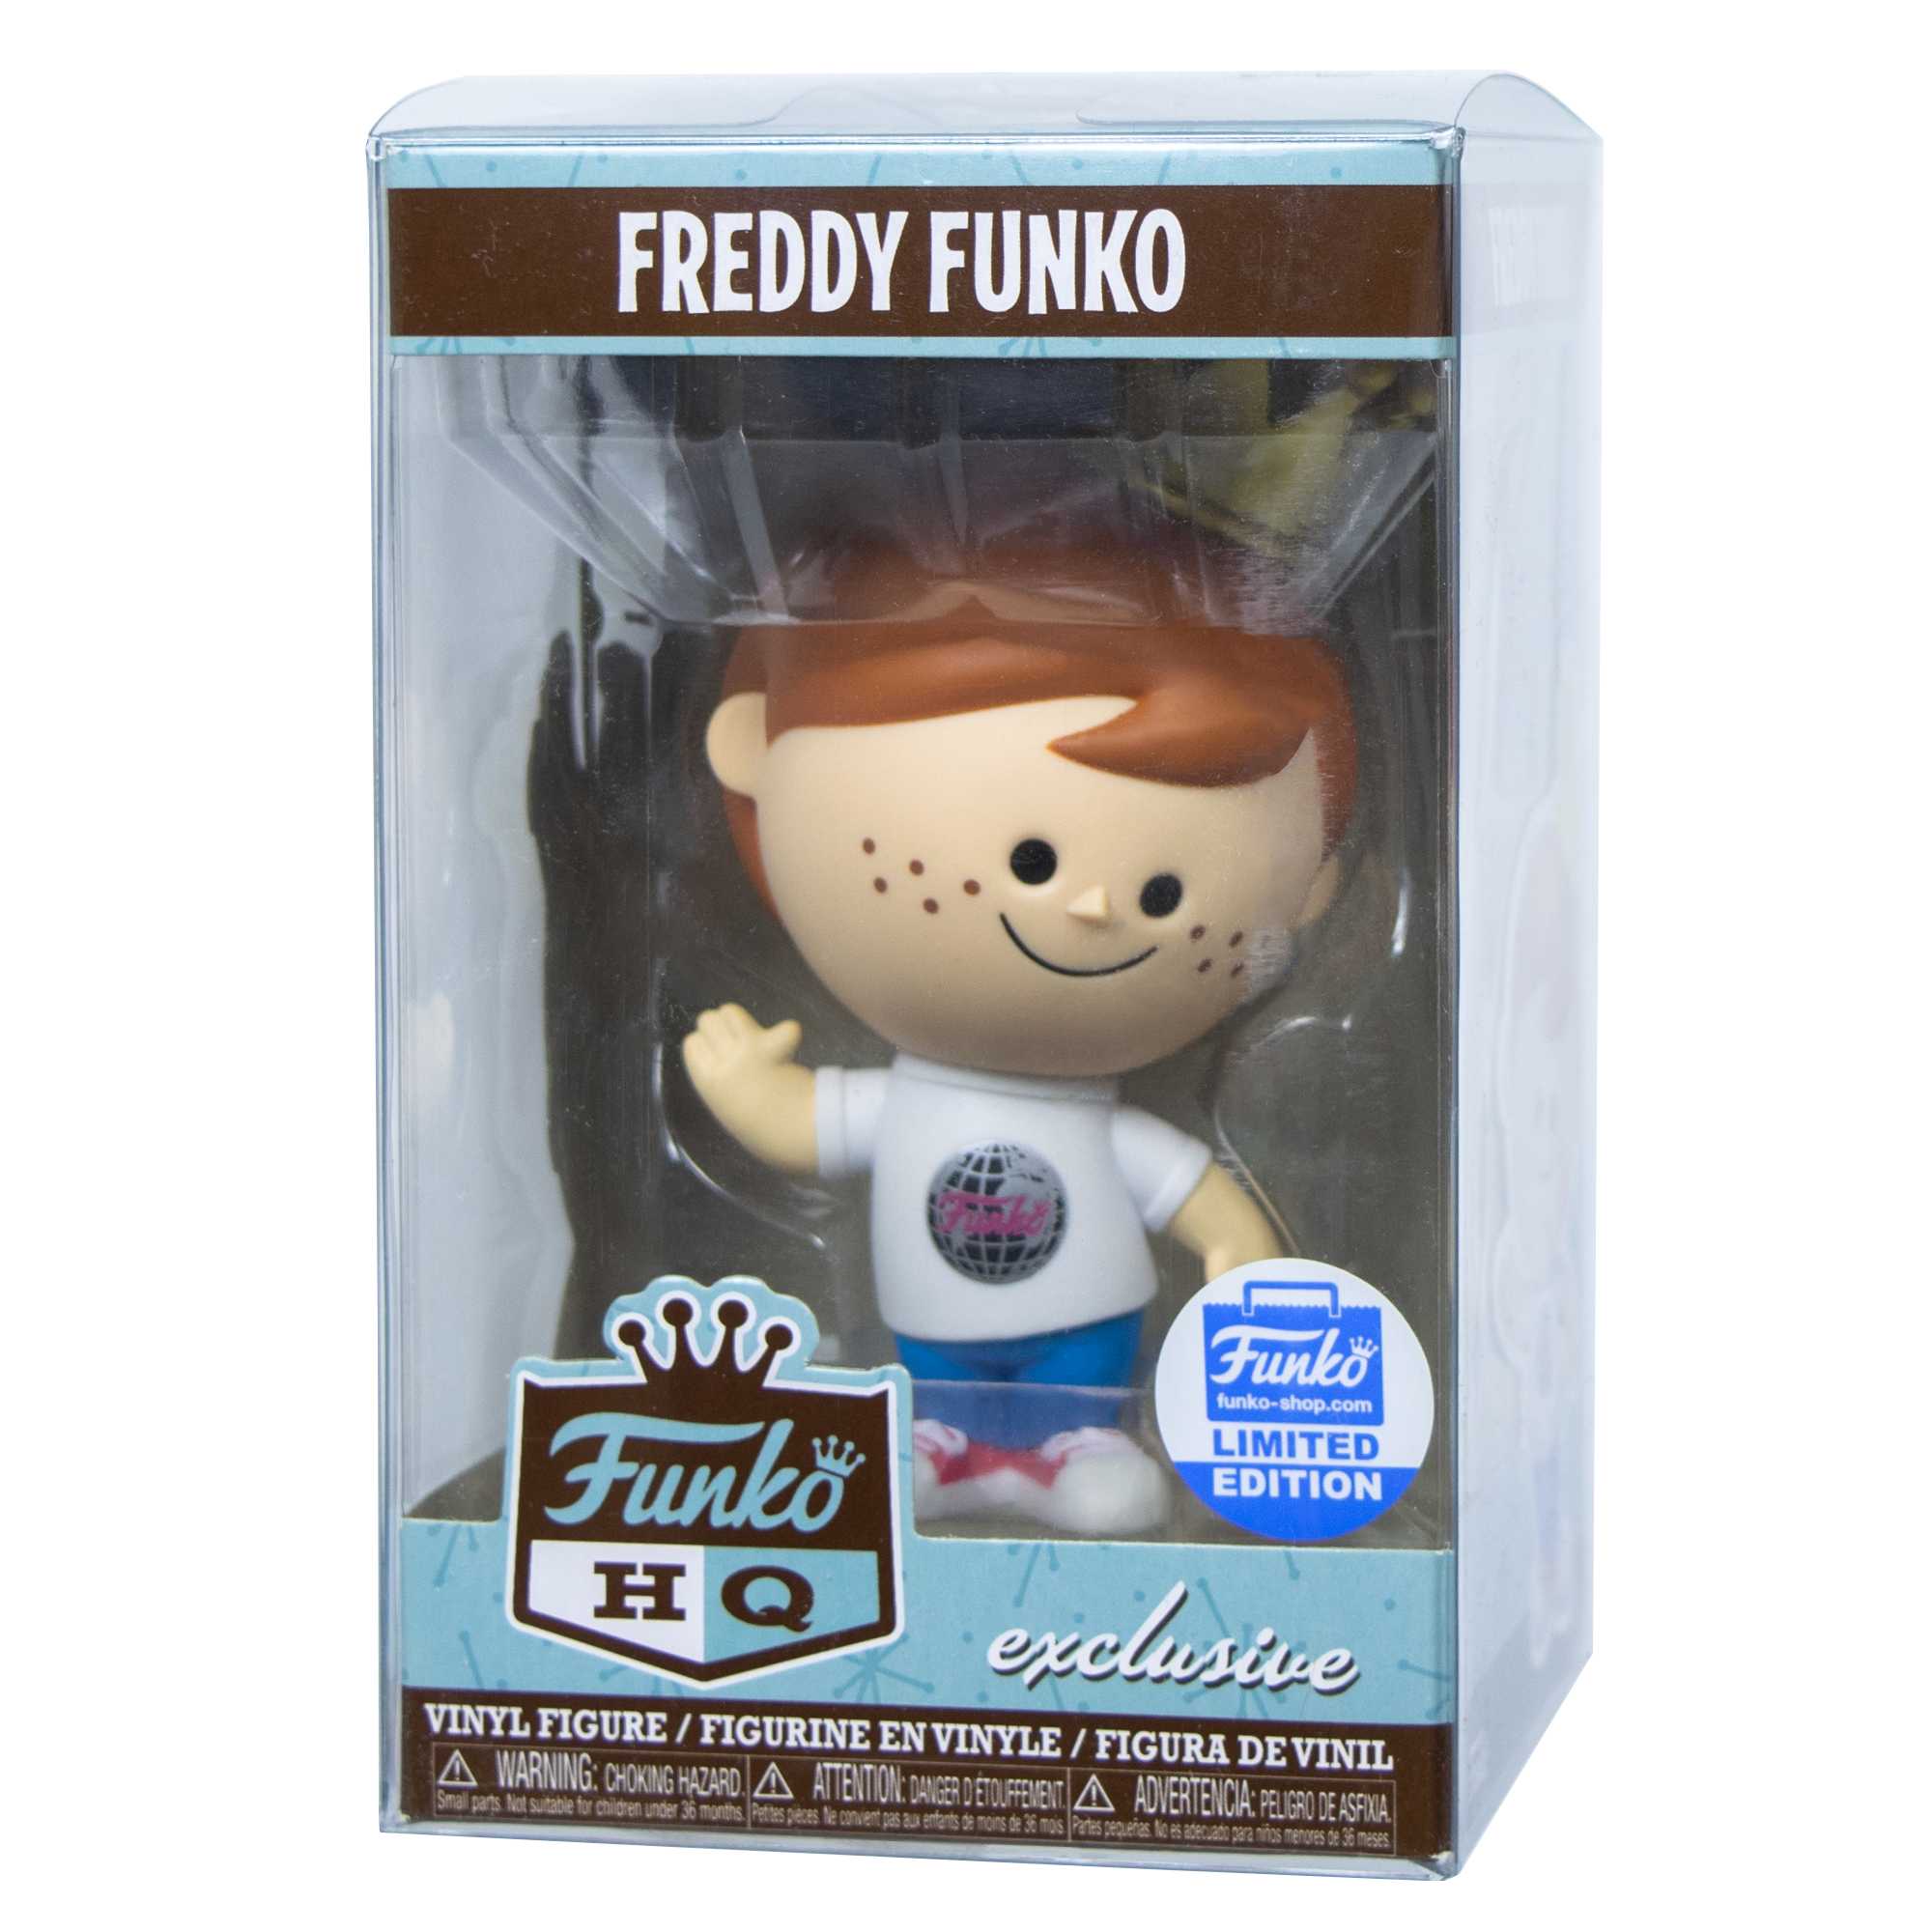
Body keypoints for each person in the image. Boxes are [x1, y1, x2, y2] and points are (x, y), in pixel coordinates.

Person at [682, 555, 1356, 1533]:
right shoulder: (903, 1100)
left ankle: (1072, 1440)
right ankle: (943, 1439)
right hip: (930, 1333)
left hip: (1086, 1337)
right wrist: (747, 1089)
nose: (1092, 906)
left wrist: (1241, 1252)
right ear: (754, 752)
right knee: (932, 1389)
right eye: (1034, 860)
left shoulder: (1098, 1128)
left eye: (1160, 894)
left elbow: (1195, 1198)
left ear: (1311, 894)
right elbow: (806, 1127)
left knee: (1078, 1398)